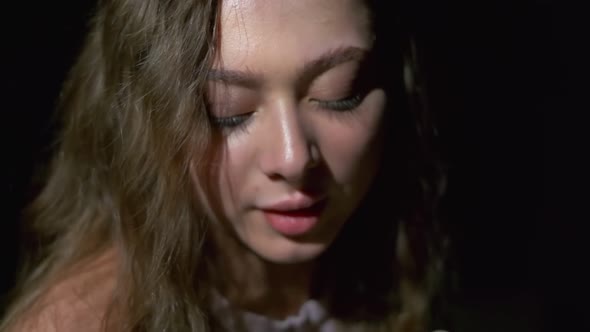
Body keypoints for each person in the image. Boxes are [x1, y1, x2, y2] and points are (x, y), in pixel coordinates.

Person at [1, 0, 448, 331]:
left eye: (339, 93)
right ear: (147, 122)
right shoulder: (85, 322)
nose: (293, 159)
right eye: (227, 111)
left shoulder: (389, 249)